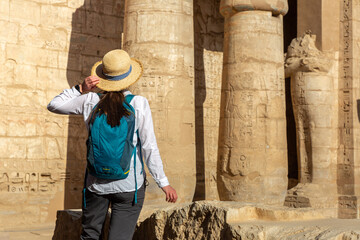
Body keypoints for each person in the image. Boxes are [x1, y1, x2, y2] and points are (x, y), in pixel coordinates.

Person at [47, 49, 177, 240]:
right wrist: (163, 183)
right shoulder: (139, 103)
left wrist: (80, 88)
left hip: (95, 185)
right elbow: (149, 146)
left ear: (103, 77)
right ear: (129, 78)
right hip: (129, 186)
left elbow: (54, 105)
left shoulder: (90, 100)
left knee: (90, 236)